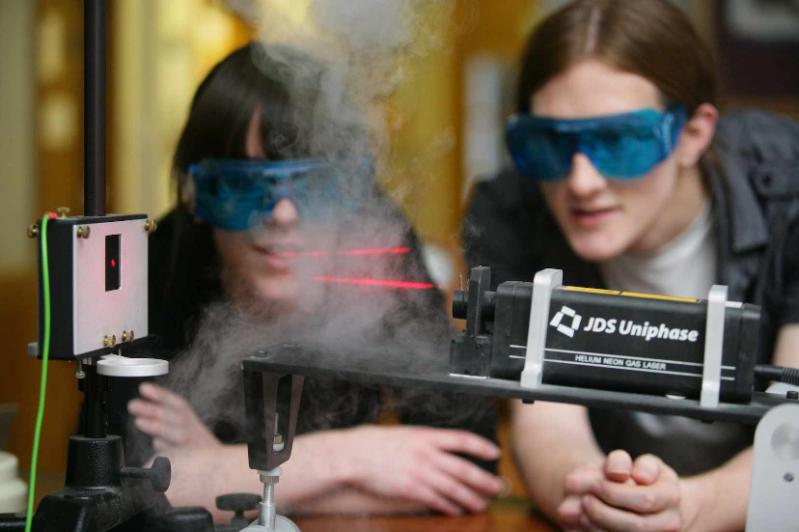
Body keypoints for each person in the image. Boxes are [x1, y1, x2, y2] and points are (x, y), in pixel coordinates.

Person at [115, 42, 501, 522]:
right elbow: (127, 488)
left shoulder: (378, 245)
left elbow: (470, 468)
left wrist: (217, 472)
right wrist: (354, 458)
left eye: (313, 187)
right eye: (243, 187)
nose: (282, 215)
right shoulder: (159, 259)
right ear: (196, 195)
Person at [462, 0, 799, 530]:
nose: (581, 182)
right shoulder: (513, 210)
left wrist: (686, 509)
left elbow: (794, 434)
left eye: (618, 141)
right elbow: (546, 425)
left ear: (692, 133)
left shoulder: (791, 192)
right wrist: (595, 493)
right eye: (550, 143)